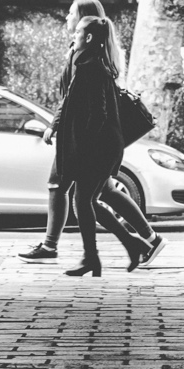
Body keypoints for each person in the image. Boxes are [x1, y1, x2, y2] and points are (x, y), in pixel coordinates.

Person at [16, 0, 165, 270]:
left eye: (72, 14)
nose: (67, 18)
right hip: (86, 139)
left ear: (86, 26)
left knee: (70, 191)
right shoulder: (86, 53)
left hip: (87, 141)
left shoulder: (90, 60)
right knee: (94, 196)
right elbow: (73, 99)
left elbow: (89, 107)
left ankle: (60, 247)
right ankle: (140, 241)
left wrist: (63, 130)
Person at [49, 16, 128, 277]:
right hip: (101, 147)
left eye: (79, 32)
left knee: (82, 201)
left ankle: (92, 258)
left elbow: (98, 114)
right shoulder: (89, 63)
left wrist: (83, 149)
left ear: (89, 37)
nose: (74, 35)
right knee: (86, 201)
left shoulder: (91, 67)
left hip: (98, 149)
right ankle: (128, 245)